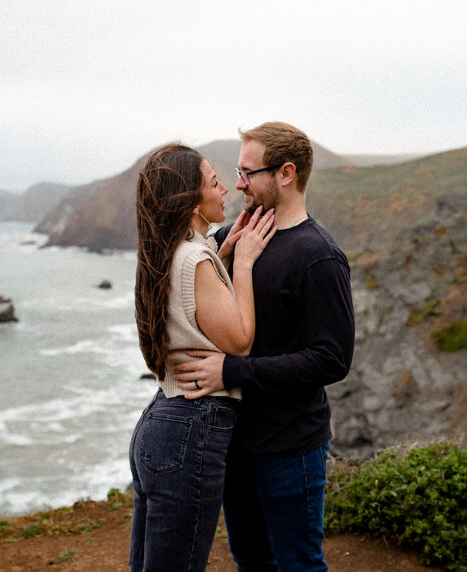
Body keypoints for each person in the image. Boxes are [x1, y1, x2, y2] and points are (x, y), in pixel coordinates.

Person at [173, 122, 355, 571]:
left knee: (299, 565)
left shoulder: (319, 256)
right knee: (251, 562)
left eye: (247, 172)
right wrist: (224, 252)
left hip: (291, 449)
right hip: (233, 443)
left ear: (286, 173)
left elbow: (332, 359)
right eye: (236, 171)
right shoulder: (236, 236)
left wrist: (231, 372)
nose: (237, 183)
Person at [128, 143, 276, 571]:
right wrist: (243, 263)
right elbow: (240, 341)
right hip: (192, 429)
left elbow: (191, 285)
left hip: (161, 421)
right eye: (214, 182)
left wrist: (221, 251)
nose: (226, 188)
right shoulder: (194, 259)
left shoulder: (168, 249)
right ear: (193, 201)